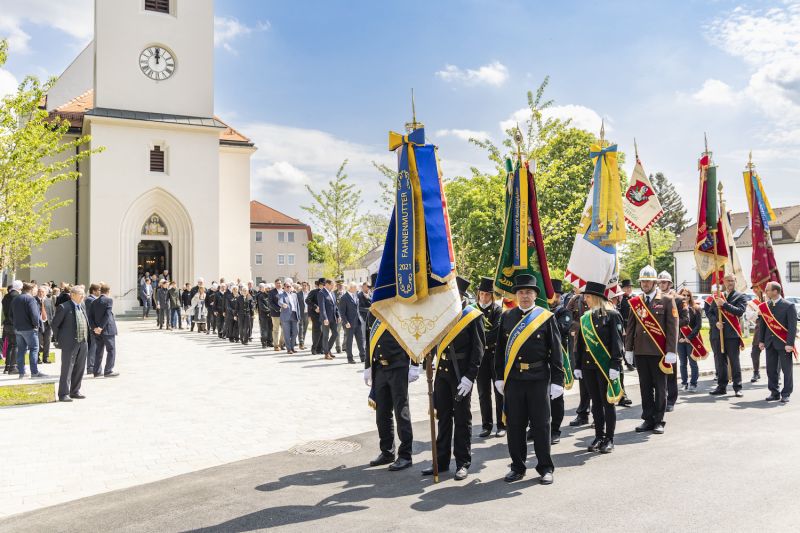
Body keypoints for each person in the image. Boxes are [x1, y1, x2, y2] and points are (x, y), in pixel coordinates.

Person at [494, 274, 563, 485]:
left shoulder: (546, 317)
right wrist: (499, 377)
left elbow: (556, 351)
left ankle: (545, 467)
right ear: (516, 295)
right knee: (515, 425)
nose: (525, 296)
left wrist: (557, 381)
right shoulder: (507, 317)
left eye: (529, 292)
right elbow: (499, 351)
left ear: (535, 295)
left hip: (539, 379)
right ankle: (517, 467)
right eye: (521, 292)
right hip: (514, 379)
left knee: (541, 425)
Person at [423, 277, 484, 480]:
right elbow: (433, 341)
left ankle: (462, 462)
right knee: (443, 417)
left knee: (462, 419)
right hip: (442, 372)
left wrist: (470, 377)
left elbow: (478, 350)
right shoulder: (441, 314)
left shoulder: (472, 316)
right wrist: (428, 362)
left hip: (461, 375)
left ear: (461, 296)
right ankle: (440, 461)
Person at [364, 305, 420, 472]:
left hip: (398, 366)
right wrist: (367, 366)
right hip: (379, 368)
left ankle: (405, 455)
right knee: (382, 413)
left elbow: (414, 337)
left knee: (401, 412)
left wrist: (415, 364)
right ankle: (387, 451)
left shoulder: (401, 309)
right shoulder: (373, 312)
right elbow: (369, 340)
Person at [624, 265, 678, 434]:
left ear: (655, 283)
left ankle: (659, 420)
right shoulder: (636, 302)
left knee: (660, 387)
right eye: (643, 281)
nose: (645, 284)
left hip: (659, 351)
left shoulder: (667, 300)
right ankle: (648, 418)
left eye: (648, 281)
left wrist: (671, 350)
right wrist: (628, 349)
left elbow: (672, 327)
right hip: (640, 351)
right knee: (645, 387)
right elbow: (631, 327)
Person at [573, 281, 623, 454]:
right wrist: (577, 365)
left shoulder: (612, 315)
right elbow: (580, 344)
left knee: (607, 402)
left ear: (595, 297)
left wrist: (616, 364)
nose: (585, 299)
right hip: (588, 366)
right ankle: (599, 436)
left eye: (587, 296)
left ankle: (609, 438)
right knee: (595, 403)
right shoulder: (585, 317)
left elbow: (617, 342)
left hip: (605, 365)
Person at [704, 273, 747, 397]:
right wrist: (715, 322)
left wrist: (724, 304)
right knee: (720, 362)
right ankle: (721, 386)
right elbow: (710, 313)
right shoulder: (717, 295)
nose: (730, 283)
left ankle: (737, 387)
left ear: (735, 281)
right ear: (723, 282)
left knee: (734, 361)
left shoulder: (740, 296)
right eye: (728, 280)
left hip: (732, 335)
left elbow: (740, 311)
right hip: (717, 334)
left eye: (732, 280)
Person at [475, 276, 504, 438]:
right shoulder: (473, 310)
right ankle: (486, 425)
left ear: (492, 295)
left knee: (499, 391)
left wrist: (478, 339)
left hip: (494, 354)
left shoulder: (497, 310)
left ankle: (502, 424)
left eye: (487, 294)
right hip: (480, 356)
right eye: (482, 294)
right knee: (483, 392)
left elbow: (496, 333)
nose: (484, 297)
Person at [759, 281, 797, 403]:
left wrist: (790, 344)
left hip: (784, 343)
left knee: (787, 370)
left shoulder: (789, 306)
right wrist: (761, 341)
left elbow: (792, 327)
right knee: (771, 369)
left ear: (775, 291)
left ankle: (786, 393)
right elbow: (763, 325)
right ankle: (774, 392)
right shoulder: (766, 306)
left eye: (767, 290)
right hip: (769, 343)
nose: (765, 291)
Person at [51, 286, 90, 401]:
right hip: (69, 343)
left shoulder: (82, 305)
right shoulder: (64, 307)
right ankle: (63, 394)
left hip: (83, 342)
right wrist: (60, 340)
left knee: (80, 368)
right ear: (72, 295)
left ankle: (75, 391)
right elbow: (55, 325)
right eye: (80, 294)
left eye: (83, 294)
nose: (83, 296)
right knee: (67, 369)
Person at [658, 271, 688, 411]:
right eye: (659, 282)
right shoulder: (656, 297)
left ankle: (671, 400)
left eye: (664, 282)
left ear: (670, 283)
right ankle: (660, 397)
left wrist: (669, 325)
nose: (661, 284)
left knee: (671, 370)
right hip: (657, 338)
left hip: (671, 338)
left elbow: (685, 319)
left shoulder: (679, 299)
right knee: (658, 370)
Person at [547, 279, 572, 445]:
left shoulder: (564, 312)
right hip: (542, 359)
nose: (553, 298)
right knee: (538, 398)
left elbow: (562, 328)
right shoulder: (541, 311)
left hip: (558, 359)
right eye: (550, 295)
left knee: (556, 397)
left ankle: (555, 429)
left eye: (555, 295)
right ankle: (536, 428)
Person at [12, 282, 48, 379]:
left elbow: (11, 315)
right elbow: (34, 315)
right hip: (29, 329)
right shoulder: (30, 299)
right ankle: (34, 372)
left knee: (21, 350)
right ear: (31, 289)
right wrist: (36, 326)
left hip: (18, 328)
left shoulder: (16, 299)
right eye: (36, 289)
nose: (37, 290)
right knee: (34, 349)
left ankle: (22, 373)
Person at [566, 290, 591, 426]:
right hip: (579, 343)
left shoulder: (600, 297)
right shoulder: (575, 299)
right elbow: (568, 316)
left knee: (599, 384)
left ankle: (600, 415)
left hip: (597, 345)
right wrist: (575, 327)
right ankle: (583, 414)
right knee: (583, 381)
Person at [90, 283, 119, 377]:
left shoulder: (94, 302)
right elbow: (107, 314)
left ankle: (97, 371)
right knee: (111, 350)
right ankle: (108, 370)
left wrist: (95, 328)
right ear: (108, 291)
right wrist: (101, 327)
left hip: (97, 331)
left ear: (100, 291)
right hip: (107, 329)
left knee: (98, 350)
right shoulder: (109, 300)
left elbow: (90, 317)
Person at [677, 288, 702, 391]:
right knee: (683, 363)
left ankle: (693, 384)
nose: (686, 297)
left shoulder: (696, 308)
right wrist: (680, 338)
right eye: (683, 295)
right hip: (680, 340)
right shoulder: (676, 309)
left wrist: (688, 338)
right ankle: (684, 383)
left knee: (693, 363)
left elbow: (698, 325)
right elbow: (674, 325)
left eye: (688, 295)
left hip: (691, 340)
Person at [615, 279, 634, 407]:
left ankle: (622, 395)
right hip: (620, 330)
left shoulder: (629, 299)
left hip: (624, 329)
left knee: (618, 365)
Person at [340, 281, 366, 364]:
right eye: (355, 287)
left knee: (360, 340)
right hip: (349, 323)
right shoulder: (344, 298)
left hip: (357, 322)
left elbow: (357, 309)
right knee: (349, 341)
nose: (357, 289)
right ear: (351, 288)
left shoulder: (356, 296)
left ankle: (363, 357)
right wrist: (346, 322)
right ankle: (350, 358)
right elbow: (342, 312)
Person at [318, 279, 341, 360]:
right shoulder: (321, 293)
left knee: (335, 334)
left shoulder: (332, 293)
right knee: (326, 336)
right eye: (332, 285)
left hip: (333, 318)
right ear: (327, 284)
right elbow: (322, 307)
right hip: (326, 319)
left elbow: (335, 306)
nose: (333, 287)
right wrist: (325, 318)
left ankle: (328, 350)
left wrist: (338, 316)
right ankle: (326, 353)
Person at [2, 281, 21, 374]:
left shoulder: (6, 296)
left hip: (7, 323)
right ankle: (13, 367)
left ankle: (7, 367)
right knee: (15, 345)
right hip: (14, 324)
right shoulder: (17, 297)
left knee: (10, 345)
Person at [278, 279, 300, 353]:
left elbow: (297, 306)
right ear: (284, 287)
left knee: (296, 332)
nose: (288, 288)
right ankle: (289, 349)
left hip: (294, 315)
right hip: (286, 316)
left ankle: (292, 347)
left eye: (290, 286)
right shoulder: (281, 294)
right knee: (286, 333)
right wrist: (283, 304)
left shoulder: (294, 295)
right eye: (287, 286)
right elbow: (280, 302)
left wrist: (299, 316)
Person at [749, 286, 765, 383]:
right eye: (754, 288)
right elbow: (749, 316)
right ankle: (756, 372)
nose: (755, 290)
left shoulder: (770, 299)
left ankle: (776, 374)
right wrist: (757, 313)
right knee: (755, 352)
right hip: (759, 326)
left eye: (757, 287)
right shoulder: (752, 303)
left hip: (771, 327)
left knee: (775, 351)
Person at [36, 285, 55, 364]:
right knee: (38, 341)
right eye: (39, 291)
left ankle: (45, 358)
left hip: (47, 324)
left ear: (46, 293)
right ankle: (37, 358)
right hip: (38, 324)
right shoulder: (34, 300)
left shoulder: (49, 300)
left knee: (47, 341)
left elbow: (52, 311)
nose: (41, 293)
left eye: (42, 292)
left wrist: (52, 322)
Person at [306, 279, 324, 355]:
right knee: (317, 331)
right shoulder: (314, 292)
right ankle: (314, 348)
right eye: (323, 284)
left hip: (324, 315)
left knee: (323, 332)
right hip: (315, 315)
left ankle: (320, 349)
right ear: (320, 284)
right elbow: (307, 300)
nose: (324, 285)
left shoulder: (326, 292)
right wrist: (315, 307)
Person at [269, 279, 284, 351]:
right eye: (277, 283)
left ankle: (281, 344)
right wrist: (278, 309)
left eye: (280, 283)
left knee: (284, 329)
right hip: (275, 313)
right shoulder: (272, 292)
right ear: (275, 284)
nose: (279, 284)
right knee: (276, 330)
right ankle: (276, 345)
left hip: (284, 314)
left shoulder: (284, 291)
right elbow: (270, 303)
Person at [256, 283, 272, 348]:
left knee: (270, 329)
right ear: (265, 289)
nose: (268, 289)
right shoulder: (261, 296)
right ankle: (264, 343)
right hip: (263, 315)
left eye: (269, 288)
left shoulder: (271, 295)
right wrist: (269, 310)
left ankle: (269, 342)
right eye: (267, 288)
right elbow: (262, 306)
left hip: (270, 315)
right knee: (264, 329)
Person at [358, 280, 372, 344]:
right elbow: (359, 308)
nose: (369, 287)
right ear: (363, 287)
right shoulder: (359, 295)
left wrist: (368, 297)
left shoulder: (371, 294)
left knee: (370, 335)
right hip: (363, 317)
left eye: (369, 286)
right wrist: (369, 309)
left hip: (371, 317)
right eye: (367, 286)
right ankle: (363, 348)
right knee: (363, 335)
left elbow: (374, 303)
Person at [296, 281, 309, 350]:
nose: (304, 287)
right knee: (301, 328)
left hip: (307, 313)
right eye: (303, 285)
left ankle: (302, 341)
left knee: (305, 328)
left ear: (307, 286)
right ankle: (301, 342)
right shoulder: (298, 294)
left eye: (305, 285)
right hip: (301, 313)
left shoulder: (309, 294)